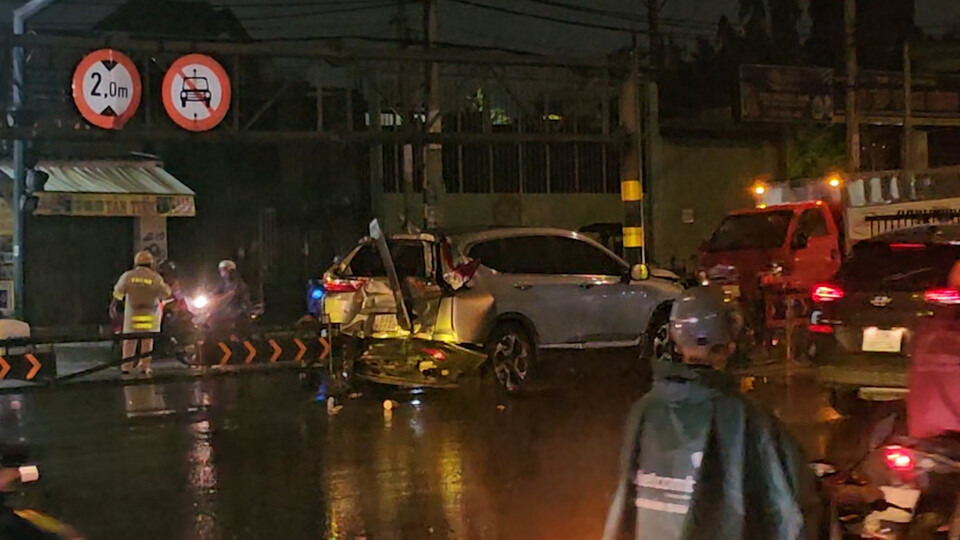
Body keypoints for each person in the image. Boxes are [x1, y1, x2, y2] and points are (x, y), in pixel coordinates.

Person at [602, 286, 820, 540]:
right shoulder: (745, 415)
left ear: (674, 336)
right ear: (729, 343)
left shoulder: (643, 411)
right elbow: (792, 502)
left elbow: (625, 499)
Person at [112, 250, 171, 376]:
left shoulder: (128, 276)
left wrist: (113, 306)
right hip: (150, 315)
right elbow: (166, 293)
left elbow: (118, 292)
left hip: (132, 316)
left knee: (129, 341)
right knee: (147, 341)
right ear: (151, 264)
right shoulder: (155, 277)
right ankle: (144, 366)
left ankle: (126, 366)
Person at [210, 259, 251, 333]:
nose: (222, 272)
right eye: (221, 270)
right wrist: (210, 296)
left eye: (224, 270)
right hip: (226, 309)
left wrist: (222, 298)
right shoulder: (223, 283)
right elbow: (215, 292)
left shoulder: (238, 284)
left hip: (238, 309)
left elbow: (232, 295)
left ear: (231, 271)